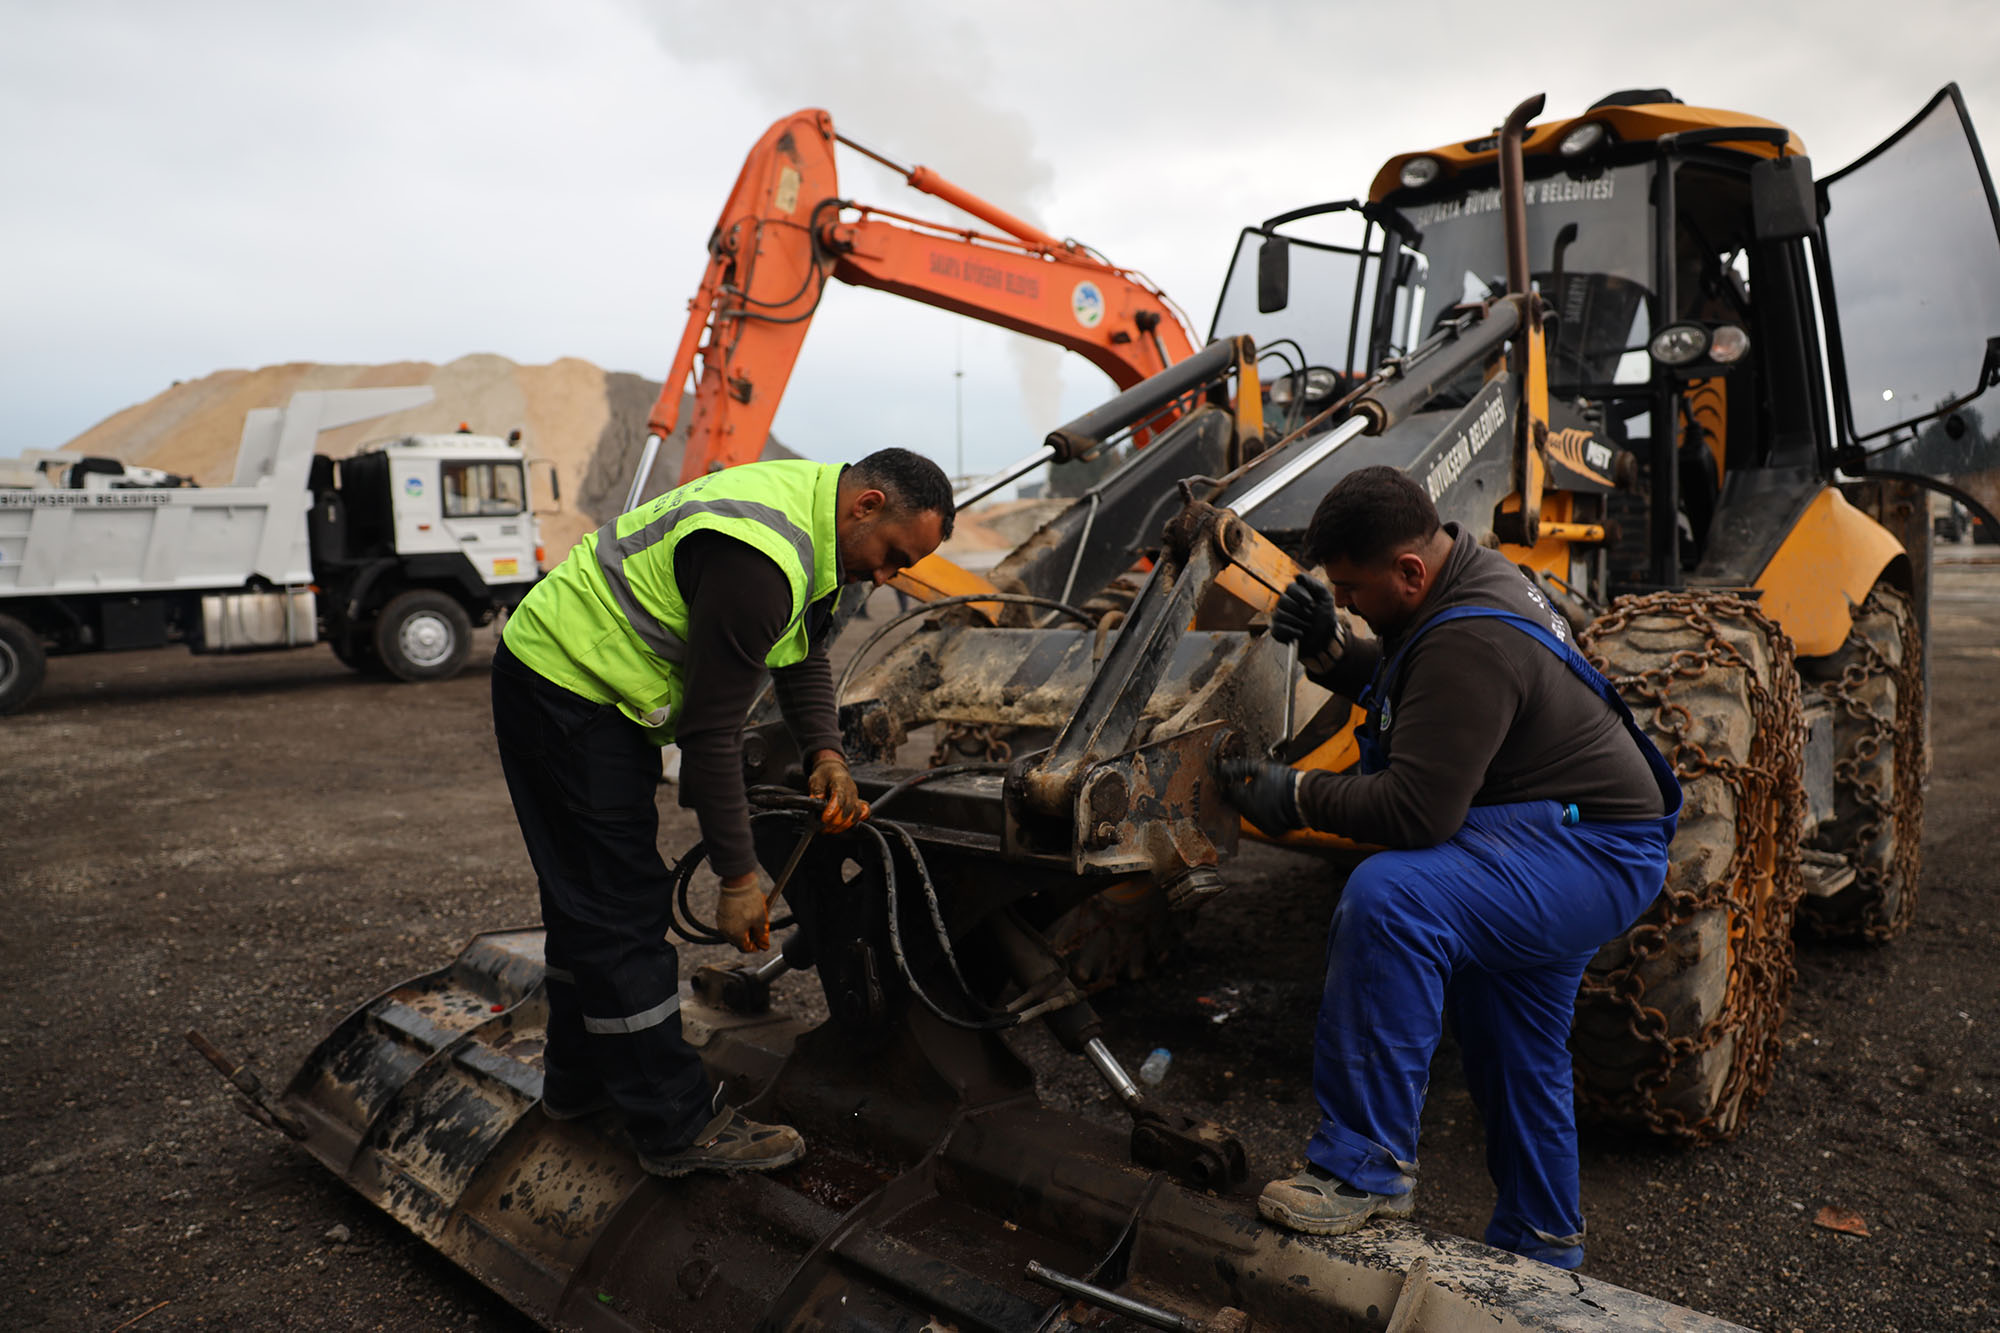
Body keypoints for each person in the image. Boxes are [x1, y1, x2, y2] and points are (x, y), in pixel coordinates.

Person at [1216, 465, 1680, 1269]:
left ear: (1408, 571)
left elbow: (1415, 812)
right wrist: (1333, 646)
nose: (1352, 599)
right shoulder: (1464, 576)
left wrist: (1292, 793)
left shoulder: (1471, 634)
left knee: (1394, 899)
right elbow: (1421, 694)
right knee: (1512, 1035)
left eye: (1354, 588)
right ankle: (1543, 1243)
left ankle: (1363, 1167)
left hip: (1583, 847)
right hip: (1577, 833)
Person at [492, 449, 954, 1177]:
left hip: (589, 685)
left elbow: (800, 653)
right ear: (866, 505)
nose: (889, 576)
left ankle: (578, 1087)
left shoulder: (814, 520)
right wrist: (738, 877)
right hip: (567, 684)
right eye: (894, 556)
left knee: (590, 902)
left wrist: (825, 753)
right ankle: (674, 1128)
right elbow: (711, 736)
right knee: (619, 909)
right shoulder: (759, 560)